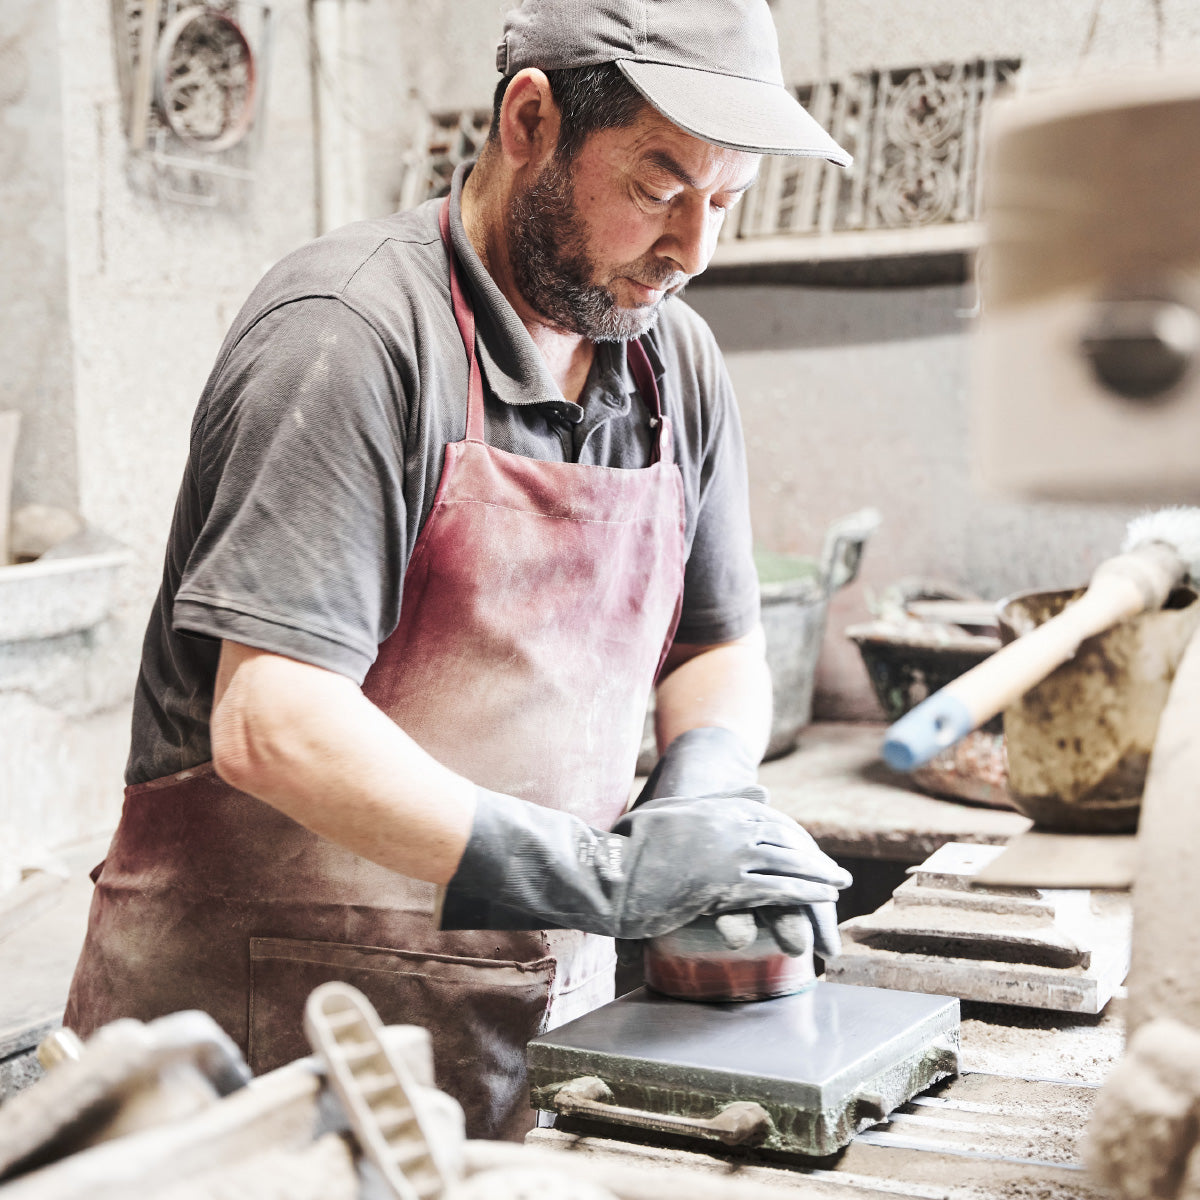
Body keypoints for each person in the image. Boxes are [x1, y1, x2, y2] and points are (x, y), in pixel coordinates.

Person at [64, 0, 854, 1140]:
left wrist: (709, 791)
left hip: (518, 1047)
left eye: (724, 200)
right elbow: (274, 720)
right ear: (530, 118)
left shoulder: (673, 364)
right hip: (251, 1069)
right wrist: (601, 875)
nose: (693, 251)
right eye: (657, 187)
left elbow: (715, 642)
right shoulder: (349, 333)